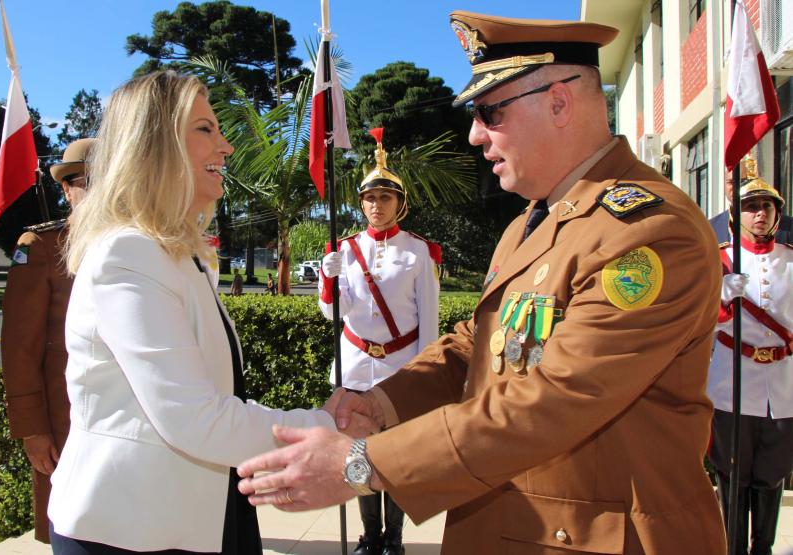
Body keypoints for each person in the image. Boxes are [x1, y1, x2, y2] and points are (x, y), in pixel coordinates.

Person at [237, 12, 728, 554]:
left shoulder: (649, 232)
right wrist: (385, 402)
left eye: (490, 112)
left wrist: (363, 464)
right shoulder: (528, 224)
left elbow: (556, 398)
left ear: (559, 103)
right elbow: (480, 343)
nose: (475, 135)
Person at [47, 70, 366, 555]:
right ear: (154, 144)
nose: (226, 147)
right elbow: (194, 417)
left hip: (188, 516)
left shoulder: (176, 254)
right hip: (127, 529)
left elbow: (212, 397)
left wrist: (316, 418)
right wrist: (326, 428)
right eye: (205, 129)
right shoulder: (129, 253)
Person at [317, 128, 440, 555]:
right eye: (370, 198)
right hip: (355, 366)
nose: (376, 205)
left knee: (397, 458)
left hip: (400, 368)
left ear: (399, 203)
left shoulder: (418, 253)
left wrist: (425, 376)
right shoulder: (346, 249)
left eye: (385, 198)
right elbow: (336, 312)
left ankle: (395, 539)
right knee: (360, 455)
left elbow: (429, 319)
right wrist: (328, 279)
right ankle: (369, 537)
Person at [0, 137, 93, 543]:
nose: (98, 191)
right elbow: (20, 349)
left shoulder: (137, 244)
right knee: (73, 529)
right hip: (65, 423)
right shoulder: (40, 246)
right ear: (66, 189)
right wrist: (33, 429)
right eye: (85, 182)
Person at [706, 158, 793, 555]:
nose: (759, 214)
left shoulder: (791, 260)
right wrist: (722, 298)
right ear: (736, 214)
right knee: (732, 474)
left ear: (777, 212)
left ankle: (764, 549)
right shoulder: (719, 259)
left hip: (783, 382)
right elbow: (696, 318)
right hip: (732, 380)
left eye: (766, 206)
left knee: (772, 475)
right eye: (750, 206)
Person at [711, 167, 793, 244]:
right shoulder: (710, 229)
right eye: (731, 182)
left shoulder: (789, 227)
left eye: (744, 181)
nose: (737, 187)